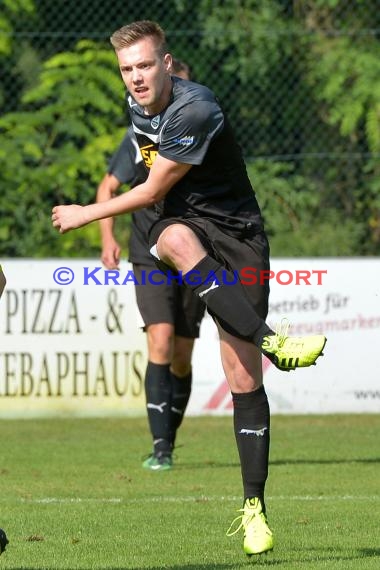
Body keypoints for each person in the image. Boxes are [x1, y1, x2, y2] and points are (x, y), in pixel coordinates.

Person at [52, 20, 327, 557]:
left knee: (242, 376)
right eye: (127, 69)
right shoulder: (137, 110)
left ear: (166, 62)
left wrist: (89, 213)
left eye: (145, 65)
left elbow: (153, 185)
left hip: (239, 235)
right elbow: (155, 195)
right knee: (173, 236)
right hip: (186, 228)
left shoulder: (195, 107)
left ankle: (254, 507)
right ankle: (271, 340)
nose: (135, 77)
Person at [96, 59, 205, 471]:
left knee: (181, 355)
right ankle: (161, 448)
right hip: (148, 251)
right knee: (159, 340)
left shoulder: (204, 131)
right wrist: (107, 236)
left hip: (195, 252)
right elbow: (109, 185)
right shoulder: (139, 134)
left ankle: (169, 438)